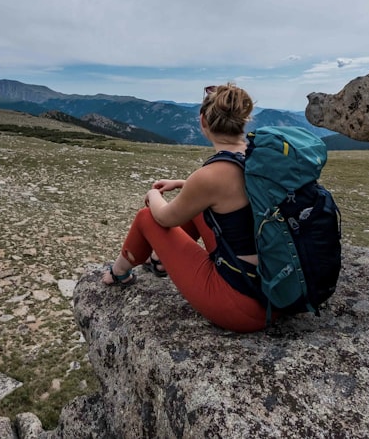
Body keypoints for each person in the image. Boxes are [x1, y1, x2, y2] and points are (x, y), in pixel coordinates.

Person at [102, 82, 268, 333]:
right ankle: (159, 261)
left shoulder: (212, 176)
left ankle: (118, 274)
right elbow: (232, 193)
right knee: (200, 208)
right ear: (244, 122)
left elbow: (164, 217)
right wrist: (185, 184)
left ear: (203, 121)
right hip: (273, 288)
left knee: (147, 217)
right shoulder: (257, 157)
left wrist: (152, 195)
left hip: (242, 304)